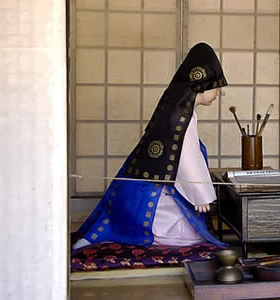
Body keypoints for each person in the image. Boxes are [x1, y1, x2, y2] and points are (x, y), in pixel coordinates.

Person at [73, 43, 227, 250]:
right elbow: (186, 157)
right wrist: (200, 193)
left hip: (145, 179)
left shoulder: (175, 105)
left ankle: (106, 233)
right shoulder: (182, 115)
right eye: (217, 88)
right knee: (191, 236)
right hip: (155, 188)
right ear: (203, 84)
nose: (218, 94)